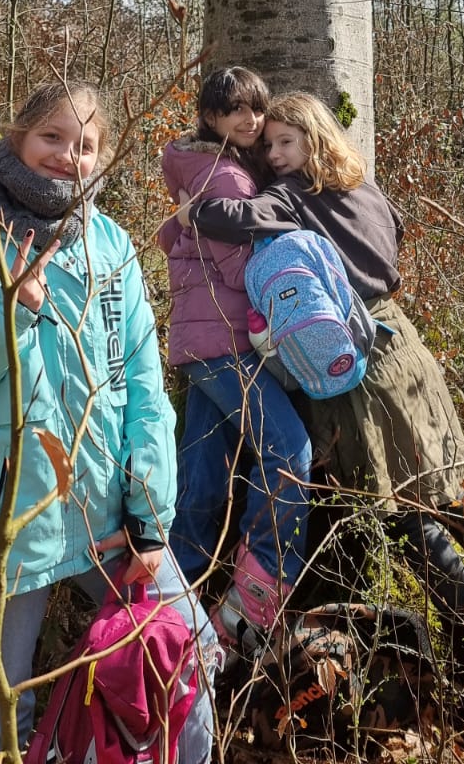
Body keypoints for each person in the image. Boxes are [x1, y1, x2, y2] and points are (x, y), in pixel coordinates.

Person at [0, 80, 219, 764]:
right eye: (51, 137)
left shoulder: (112, 248)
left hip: (104, 514)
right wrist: (6, 312)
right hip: (4, 530)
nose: (66, 156)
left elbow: (142, 387)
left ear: (103, 157)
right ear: (18, 137)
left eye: (85, 145)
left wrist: (148, 514)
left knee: (188, 648)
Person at [177, 91, 464, 678]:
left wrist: (191, 210)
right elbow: (397, 236)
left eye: (286, 142)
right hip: (404, 348)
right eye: (270, 143)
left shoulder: (292, 195)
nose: (274, 154)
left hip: (354, 361)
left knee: (403, 511)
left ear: (316, 140)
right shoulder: (367, 190)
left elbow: (241, 218)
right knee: (451, 492)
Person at [159, 66, 312, 651]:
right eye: (235, 112)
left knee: (202, 475)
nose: (250, 121)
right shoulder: (226, 179)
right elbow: (243, 271)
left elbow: (175, 245)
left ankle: (169, 599)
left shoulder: (200, 170)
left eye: (256, 109)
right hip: (224, 344)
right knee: (288, 448)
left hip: (202, 345)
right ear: (211, 117)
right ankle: (256, 593)